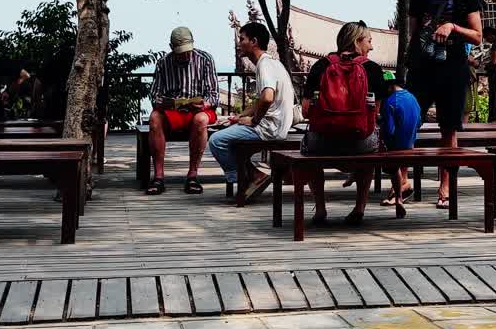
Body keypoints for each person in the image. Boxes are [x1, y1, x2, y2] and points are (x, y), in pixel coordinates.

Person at [405, 0, 485, 209]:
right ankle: (402, 182)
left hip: (453, 69)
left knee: (449, 129)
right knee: (409, 123)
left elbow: (477, 35)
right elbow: (412, 35)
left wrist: (452, 27)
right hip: (423, 69)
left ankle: (446, 186)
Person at [299, 21, 387, 225]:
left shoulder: (321, 66)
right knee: (370, 148)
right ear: (357, 41)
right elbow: (376, 113)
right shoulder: (372, 69)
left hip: (322, 142)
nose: (371, 47)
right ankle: (359, 208)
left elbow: (305, 110)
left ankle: (320, 208)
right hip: (360, 142)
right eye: (369, 41)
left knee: (308, 147)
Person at [209, 22, 294, 204]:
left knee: (216, 141)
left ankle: (242, 180)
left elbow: (267, 98)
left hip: (269, 128)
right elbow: (260, 100)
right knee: (227, 133)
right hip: (275, 125)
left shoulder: (264, 65)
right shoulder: (271, 63)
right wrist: (240, 117)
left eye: (242, 39)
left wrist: (253, 120)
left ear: (254, 41)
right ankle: (254, 174)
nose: (239, 43)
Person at [145, 27, 219, 195]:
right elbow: (155, 95)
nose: (185, 56)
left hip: (199, 110)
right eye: (180, 53)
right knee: (154, 118)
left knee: (200, 120)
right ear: (171, 48)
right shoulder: (163, 63)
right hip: (173, 110)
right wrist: (166, 103)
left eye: (187, 51)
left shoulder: (205, 60)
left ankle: (192, 175)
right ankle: (158, 177)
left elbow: (214, 95)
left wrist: (204, 104)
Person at [379, 70, 421, 208]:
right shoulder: (412, 98)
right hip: (411, 144)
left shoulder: (390, 101)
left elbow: (390, 131)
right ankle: (403, 187)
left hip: (396, 147)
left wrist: (380, 123)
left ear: (389, 86)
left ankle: (398, 195)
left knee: (386, 160)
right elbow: (419, 121)